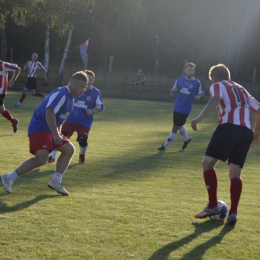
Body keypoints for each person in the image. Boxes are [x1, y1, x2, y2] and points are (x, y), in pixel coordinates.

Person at [191, 64, 260, 226]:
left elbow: (215, 99)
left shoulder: (217, 85)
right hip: (246, 132)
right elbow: (258, 109)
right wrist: (256, 133)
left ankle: (213, 205)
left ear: (214, 78)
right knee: (235, 172)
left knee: (207, 163)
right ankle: (233, 213)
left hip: (228, 127)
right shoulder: (242, 89)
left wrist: (199, 118)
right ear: (228, 76)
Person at [1, 71, 88, 196]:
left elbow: (60, 118)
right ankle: (9, 177)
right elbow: (49, 112)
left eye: (85, 87)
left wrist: (58, 133)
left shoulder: (70, 99)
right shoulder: (62, 93)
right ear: (73, 84)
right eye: (81, 87)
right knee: (42, 159)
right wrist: (56, 134)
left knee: (69, 149)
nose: (83, 90)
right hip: (40, 126)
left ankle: (56, 181)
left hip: (49, 129)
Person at [48, 70, 104, 164]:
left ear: (93, 80)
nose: (89, 81)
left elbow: (101, 107)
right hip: (71, 119)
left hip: (84, 122)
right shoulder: (75, 89)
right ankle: (52, 156)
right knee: (61, 135)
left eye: (90, 79)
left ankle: (82, 153)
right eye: (87, 79)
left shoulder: (95, 92)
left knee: (82, 141)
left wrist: (93, 111)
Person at [158, 62, 204, 151]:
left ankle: (165, 146)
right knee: (179, 125)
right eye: (188, 70)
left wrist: (198, 96)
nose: (190, 72)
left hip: (185, 109)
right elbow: (172, 88)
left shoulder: (197, 83)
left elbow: (201, 93)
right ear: (185, 71)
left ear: (194, 71)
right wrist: (174, 89)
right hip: (177, 106)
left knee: (175, 126)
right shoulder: (179, 80)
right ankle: (187, 138)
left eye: (191, 70)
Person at [0, 60, 21, 132]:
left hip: (1, 92)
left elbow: (18, 69)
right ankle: (13, 121)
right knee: (2, 110)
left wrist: (12, 80)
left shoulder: (3, 64)